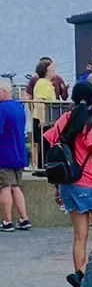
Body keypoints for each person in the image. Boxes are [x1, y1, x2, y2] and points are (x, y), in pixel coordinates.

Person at [44, 80, 92, 287]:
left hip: (68, 184)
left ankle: (82, 280)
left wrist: (58, 188)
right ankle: (87, 272)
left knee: (80, 236)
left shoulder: (63, 120)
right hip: (91, 184)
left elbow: (56, 152)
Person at [0, 80, 31, 231]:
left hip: (4, 154)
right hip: (19, 153)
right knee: (15, 187)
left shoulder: (2, 109)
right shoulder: (19, 107)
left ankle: (7, 221)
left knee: (5, 187)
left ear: (4, 92)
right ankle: (24, 218)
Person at [29, 60, 57, 170]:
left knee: (47, 144)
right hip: (42, 119)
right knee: (43, 144)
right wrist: (42, 119)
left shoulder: (48, 83)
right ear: (45, 71)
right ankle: (42, 166)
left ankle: (46, 165)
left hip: (48, 118)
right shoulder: (42, 83)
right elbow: (39, 101)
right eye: (52, 70)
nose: (54, 72)